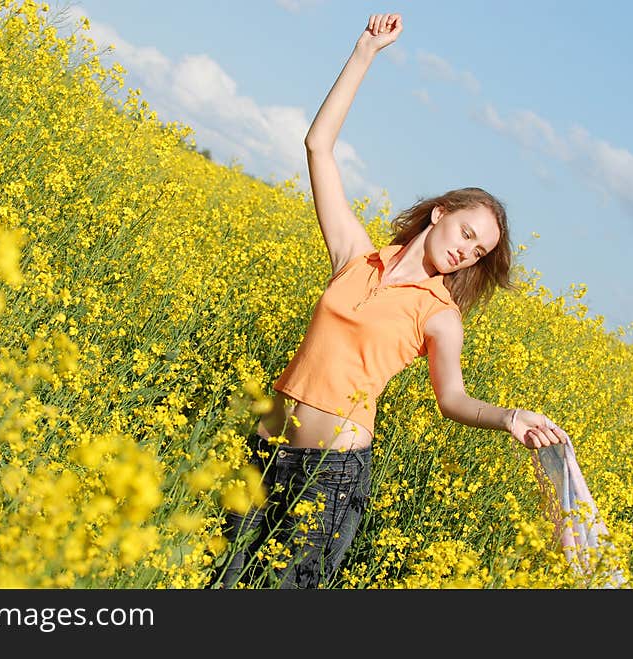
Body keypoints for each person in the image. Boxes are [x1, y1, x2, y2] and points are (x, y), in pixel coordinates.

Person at [209, 12, 569, 589]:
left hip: (332, 477)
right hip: (264, 446)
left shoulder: (440, 315)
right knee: (213, 579)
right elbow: (318, 146)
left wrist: (508, 418)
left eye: (480, 252)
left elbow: (452, 397)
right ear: (440, 213)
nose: (468, 252)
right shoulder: (355, 256)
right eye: (467, 234)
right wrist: (366, 52)